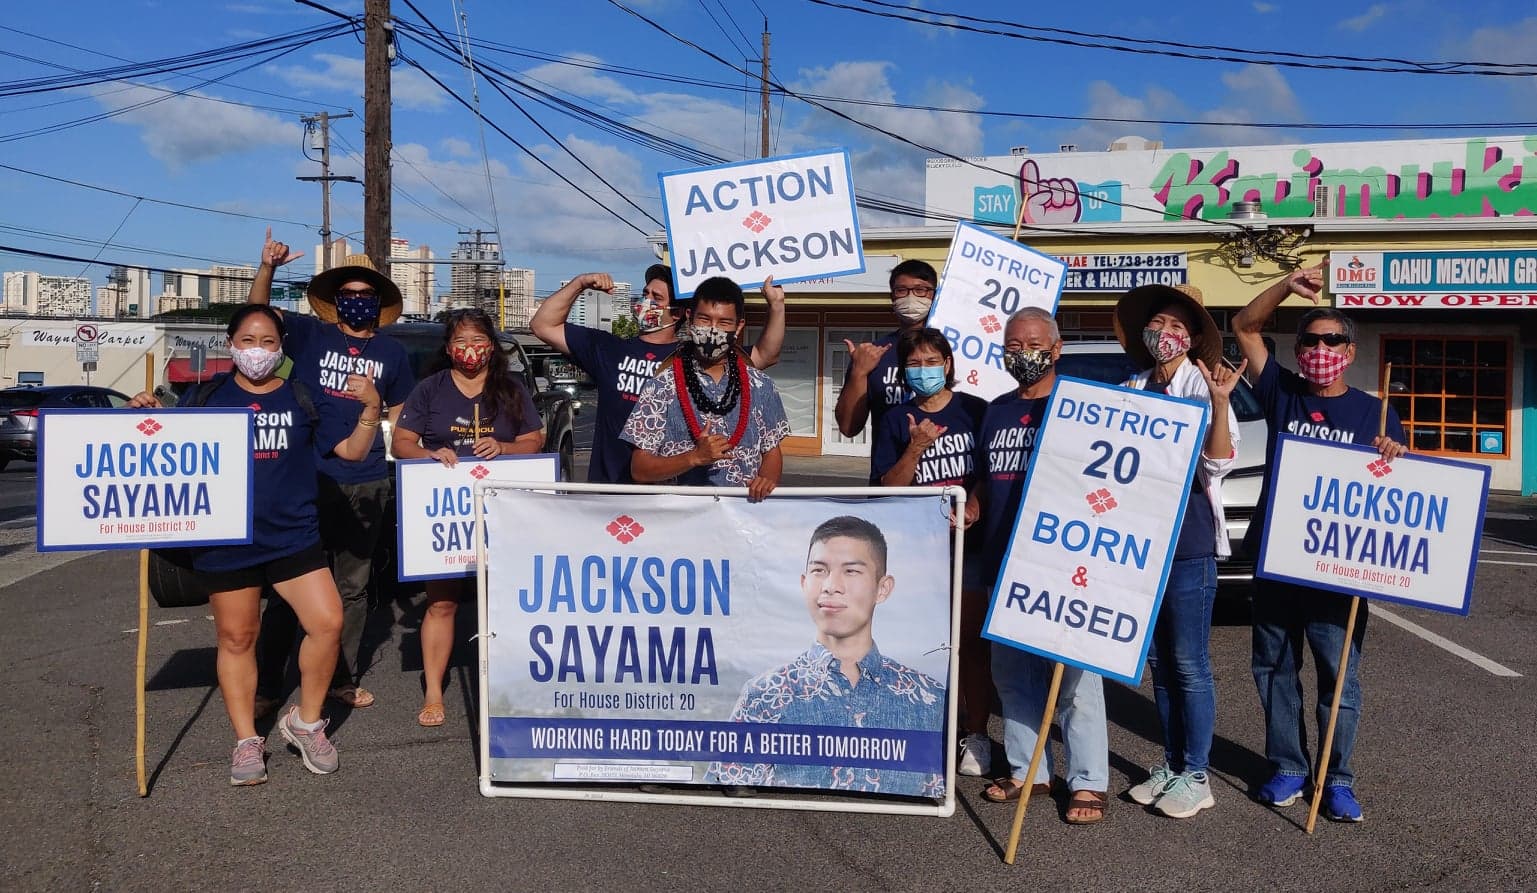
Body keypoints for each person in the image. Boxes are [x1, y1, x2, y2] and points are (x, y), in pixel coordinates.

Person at [128, 304, 385, 785]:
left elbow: (350, 452)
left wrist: (371, 407)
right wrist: (144, 415)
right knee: (237, 637)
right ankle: (247, 740)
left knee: (328, 622)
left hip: (293, 535)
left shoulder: (302, 397)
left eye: (269, 342)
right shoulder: (205, 398)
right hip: (226, 538)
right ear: (231, 345)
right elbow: (164, 447)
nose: (258, 351)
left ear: (282, 348)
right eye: (248, 340)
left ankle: (305, 723)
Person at [1232, 265, 1406, 823]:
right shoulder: (1281, 391)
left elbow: (1395, 489)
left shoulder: (1373, 410)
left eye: (1333, 340)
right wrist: (1286, 284)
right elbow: (1245, 326)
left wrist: (1392, 455)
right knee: (1275, 670)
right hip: (1277, 561)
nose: (1320, 348)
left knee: (1338, 679)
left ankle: (1337, 778)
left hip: (1339, 572)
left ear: (1350, 351)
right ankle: (1287, 767)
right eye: (1310, 339)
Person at [246, 230, 416, 715]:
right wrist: (267, 269)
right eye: (349, 294)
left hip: (366, 479)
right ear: (336, 299)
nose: (357, 301)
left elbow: (401, 411)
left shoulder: (392, 353)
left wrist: (398, 445)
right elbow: (258, 317)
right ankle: (268, 686)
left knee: (353, 587)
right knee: (286, 588)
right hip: (305, 478)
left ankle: (341, 677)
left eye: (366, 295)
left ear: (378, 301)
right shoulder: (311, 335)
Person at [963, 307, 1110, 824]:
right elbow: (985, 476)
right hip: (1004, 560)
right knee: (1012, 673)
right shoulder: (997, 409)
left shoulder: (1081, 409)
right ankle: (1030, 770)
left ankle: (1089, 781)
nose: (1020, 353)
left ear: (1055, 348)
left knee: (1074, 678)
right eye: (1011, 344)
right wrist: (976, 503)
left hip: (1063, 565)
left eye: (1031, 343)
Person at [1111, 284, 1245, 819]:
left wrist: (1218, 403)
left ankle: (1197, 772)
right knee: (1161, 665)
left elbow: (1217, 465)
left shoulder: (1203, 386)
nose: (1164, 333)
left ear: (1191, 337)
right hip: (1139, 544)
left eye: (1176, 326)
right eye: (1158, 323)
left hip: (1186, 544)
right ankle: (1169, 762)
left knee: (1190, 663)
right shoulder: (1132, 385)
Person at [706, 516, 946, 797]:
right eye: (819, 570)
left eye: (851, 571)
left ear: (883, 588)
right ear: (804, 582)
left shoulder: (927, 697)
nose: (832, 586)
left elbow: (933, 786)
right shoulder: (765, 693)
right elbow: (736, 793)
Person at [390, 308, 545, 728]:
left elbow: (535, 439)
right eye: (460, 342)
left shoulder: (510, 389)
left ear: (491, 347)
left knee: (508, 603)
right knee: (441, 602)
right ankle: (434, 690)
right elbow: (403, 442)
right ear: (448, 348)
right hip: (447, 512)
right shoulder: (430, 389)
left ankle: (511, 687)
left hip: (505, 511)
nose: (469, 350)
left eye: (477, 341)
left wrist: (505, 448)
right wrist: (429, 452)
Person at [869, 327, 995, 778]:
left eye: (932, 361)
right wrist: (916, 448)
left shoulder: (976, 411)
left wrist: (976, 500)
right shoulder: (892, 418)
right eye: (915, 363)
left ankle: (977, 733)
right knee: (921, 644)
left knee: (971, 646)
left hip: (969, 549)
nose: (924, 371)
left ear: (949, 364)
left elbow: (987, 470)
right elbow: (887, 489)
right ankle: (927, 728)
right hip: (917, 551)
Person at [530, 265, 786, 483]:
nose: (645, 302)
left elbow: (766, 355)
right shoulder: (610, 349)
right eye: (645, 294)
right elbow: (543, 325)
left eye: (656, 297)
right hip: (611, 486)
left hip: (666, 494)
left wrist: (776, 305)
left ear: (677, 313)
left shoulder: (693, 357)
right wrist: (580, 283)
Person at [621, 276, 789, 497]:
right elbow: (639, 469)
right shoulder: (662, 385)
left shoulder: (760, 384)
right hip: (681, 521)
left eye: (723, 323)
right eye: (704, 319)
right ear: (690, 319)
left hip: (744, 519)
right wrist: (694, 457)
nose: (713, 330)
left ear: (738, 327)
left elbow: (772, 451)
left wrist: (765, 481)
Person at [834, 259, 939, 482]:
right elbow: (848, 427)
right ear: (892, 297)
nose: (912, 297)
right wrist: (859, 372)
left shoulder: (952, 350)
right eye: (902, 290)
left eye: (921, 290)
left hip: (946, 484)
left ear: (934, 295)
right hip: (887, 483)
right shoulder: (874, 355)